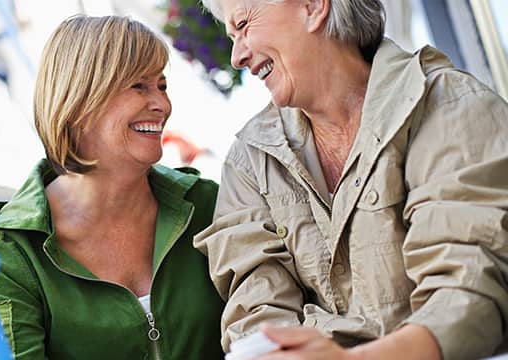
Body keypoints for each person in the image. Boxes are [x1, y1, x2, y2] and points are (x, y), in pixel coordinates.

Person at [193, 1, 508, 359]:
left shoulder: (450, 106)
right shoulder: (249, 160)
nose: (237, 56)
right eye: (232, 35)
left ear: (313, 7)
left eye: (245, 24)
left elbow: (471, 288)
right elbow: (257, 312)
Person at [0, 15, 224, 360]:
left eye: (162, 85)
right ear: (80, 100)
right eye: (139, 86)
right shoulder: (12, 251)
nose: (162, 104)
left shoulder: (207, 205)